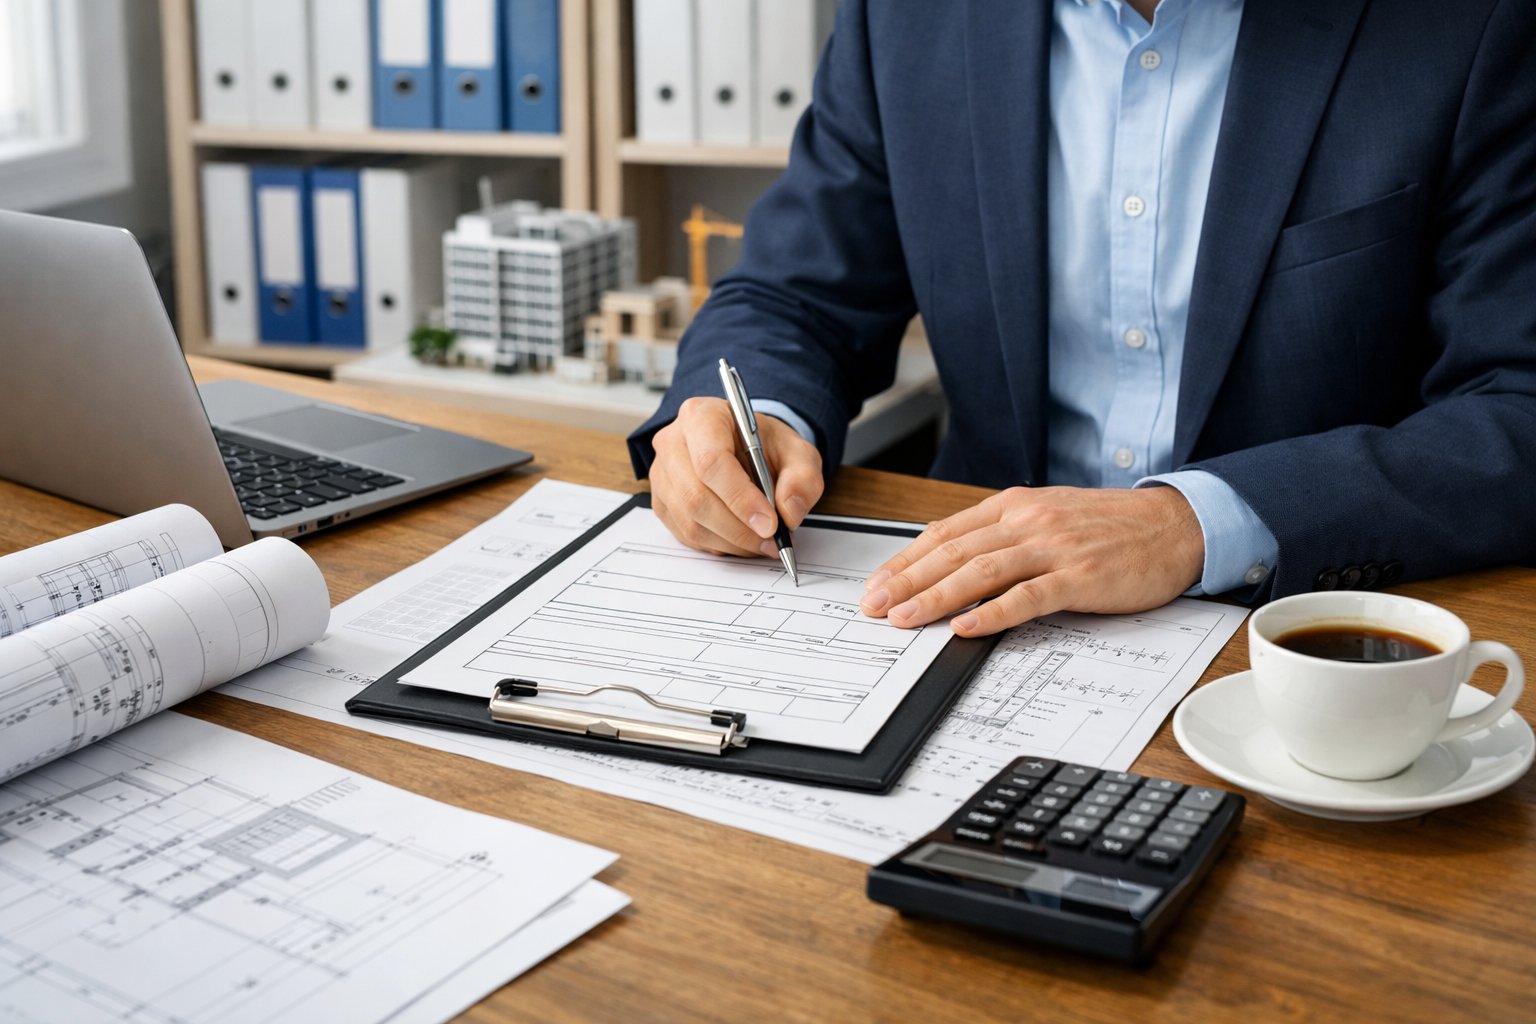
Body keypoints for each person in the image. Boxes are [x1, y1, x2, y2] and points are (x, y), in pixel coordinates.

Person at [628, 0, 1536, 638]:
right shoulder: (906, 17)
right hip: (963, 609)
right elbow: (793, 292)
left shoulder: (1473, 23)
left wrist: (1193, 524)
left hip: (1307, 632)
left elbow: (1517, 404)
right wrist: (750, 420)